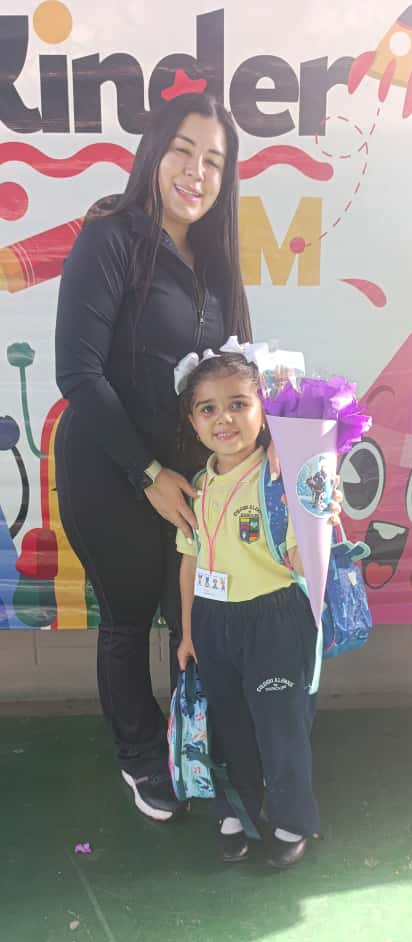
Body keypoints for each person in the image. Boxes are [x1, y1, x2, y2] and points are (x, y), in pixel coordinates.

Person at [54, 89, 253, 823]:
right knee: (129, 617)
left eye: (214, 160)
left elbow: (237, 375)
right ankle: (140, 755)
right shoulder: (111, 237)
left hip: (190, 478)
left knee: (193, 614)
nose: (197, 171)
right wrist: (146, 474)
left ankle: (192, 740)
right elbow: (78, 373)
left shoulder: (216, 259)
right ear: (155, 154)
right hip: (110, 470)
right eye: (183, 150)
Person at [176, 351, 329, 870]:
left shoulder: (281, 475)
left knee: (281, 726)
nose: (223, 418)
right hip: (212, 621)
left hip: (274, 620)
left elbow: (302, 556)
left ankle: (292, 820)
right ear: (192, 421)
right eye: (208, 408)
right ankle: (235, 811)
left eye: (238, 404)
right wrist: (188, 630)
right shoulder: (197, 487)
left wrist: (321, 517)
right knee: (227, 724)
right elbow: (190, 560)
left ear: (264, 410)